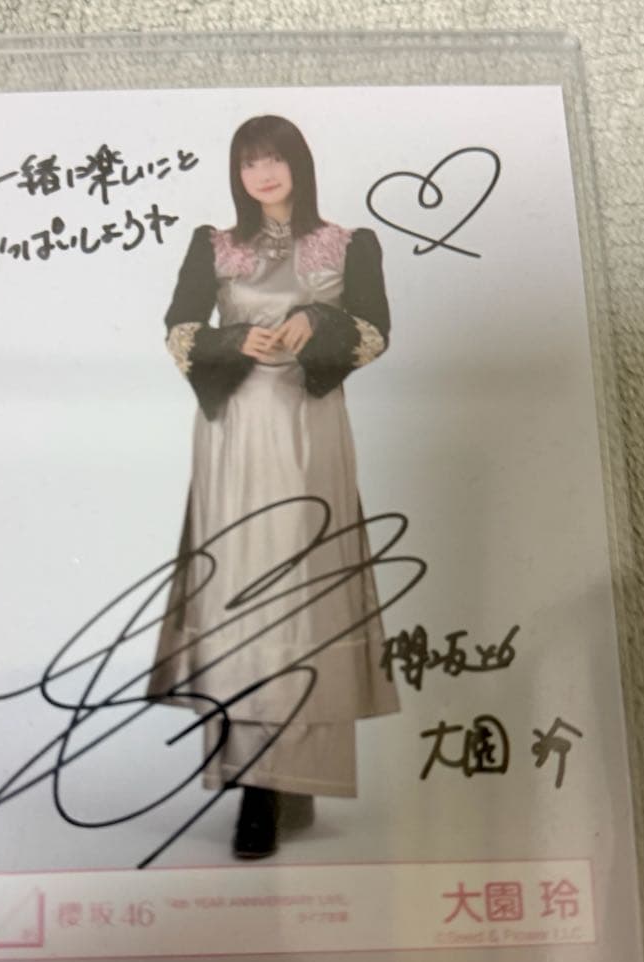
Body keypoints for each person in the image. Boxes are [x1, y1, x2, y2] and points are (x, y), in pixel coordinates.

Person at [146, 114, 399, 858]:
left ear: (298, 163)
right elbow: (179, 328)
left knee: (304, 587)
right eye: (249, 161)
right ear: (237, 173)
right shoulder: (213, 244)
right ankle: (257, 787)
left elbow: (376, 329)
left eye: (274, 158)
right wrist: (233, 339)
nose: (263, 173)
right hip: (234, 432)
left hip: (309, 427)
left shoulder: (350, 244)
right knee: (240, 588)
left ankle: (296, 779)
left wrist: (317, 321)